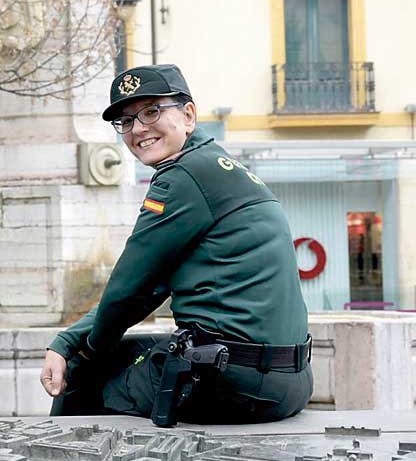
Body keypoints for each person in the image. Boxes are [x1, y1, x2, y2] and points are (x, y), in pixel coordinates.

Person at [41, 64, 312, 425]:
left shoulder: (181, 177)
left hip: (235, 383)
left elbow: (128, 288)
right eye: (126, 121)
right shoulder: (222, 168)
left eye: (152, 111)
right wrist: (69, 338)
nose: (138, 129)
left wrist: (83, 352)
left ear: (188, 115)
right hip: (290, 379)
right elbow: (151, 286)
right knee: (121, 353)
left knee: (85, 375)